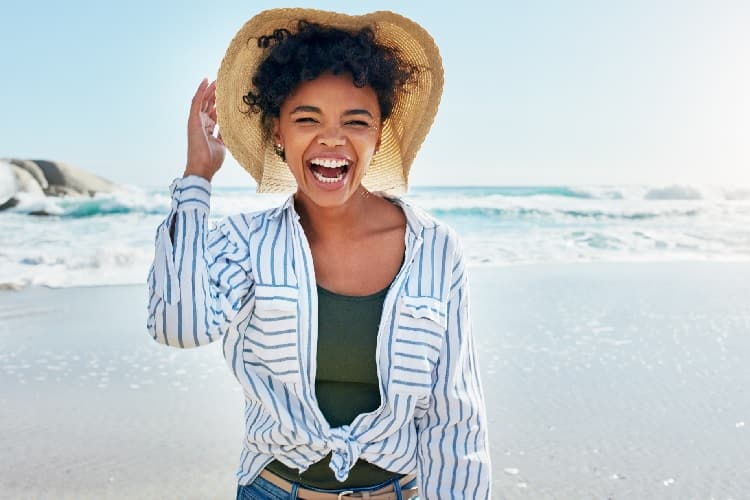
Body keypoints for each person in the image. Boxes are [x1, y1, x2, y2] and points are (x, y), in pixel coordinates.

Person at [147, 8, 491, 499]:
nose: (332, 138)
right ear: (279, 134)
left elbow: (455, 417)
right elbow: (176, 326)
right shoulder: (245, 243)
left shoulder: (435, 248)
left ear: (378, 134)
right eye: (307, 118)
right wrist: (197, 179)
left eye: (357, 120)